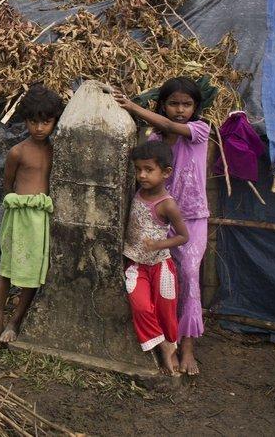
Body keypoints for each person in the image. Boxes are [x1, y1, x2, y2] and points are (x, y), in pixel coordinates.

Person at [113, 76, 209, 375]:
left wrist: (132, 107)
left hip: (191, 216)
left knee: (190, 275)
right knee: (161, 279)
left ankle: (188, 347)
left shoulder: (199, 130)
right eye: (174, 103)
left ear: (196, 107)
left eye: (187, 104)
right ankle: (166, 341)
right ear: (163, 105)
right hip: (158, 217)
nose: (181, 110)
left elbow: (173, 127)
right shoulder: (153, 142)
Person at [0, 85, 63, 350]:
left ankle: (15, 321)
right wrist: (20, 206)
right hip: (18, 217)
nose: (39, 127)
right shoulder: (17, 151)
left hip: (41, 220)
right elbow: (8, 186)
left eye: (46, 122)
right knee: (6, 270)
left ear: (54, 122)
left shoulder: (57, 152)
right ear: (25, 120)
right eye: (33, 121)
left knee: (33, 272)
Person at [122, 141, 189, 375]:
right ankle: (163, 345)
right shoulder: (135, 193)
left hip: (161, 266)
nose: (142, 175)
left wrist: (159, 244)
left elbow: (183, 236)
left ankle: (172, 345)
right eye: (138, 169)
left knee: (165, 310)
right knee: (141, 306)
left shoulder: (167, 205)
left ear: (166, 172)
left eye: (149, 170)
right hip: (136, 264)